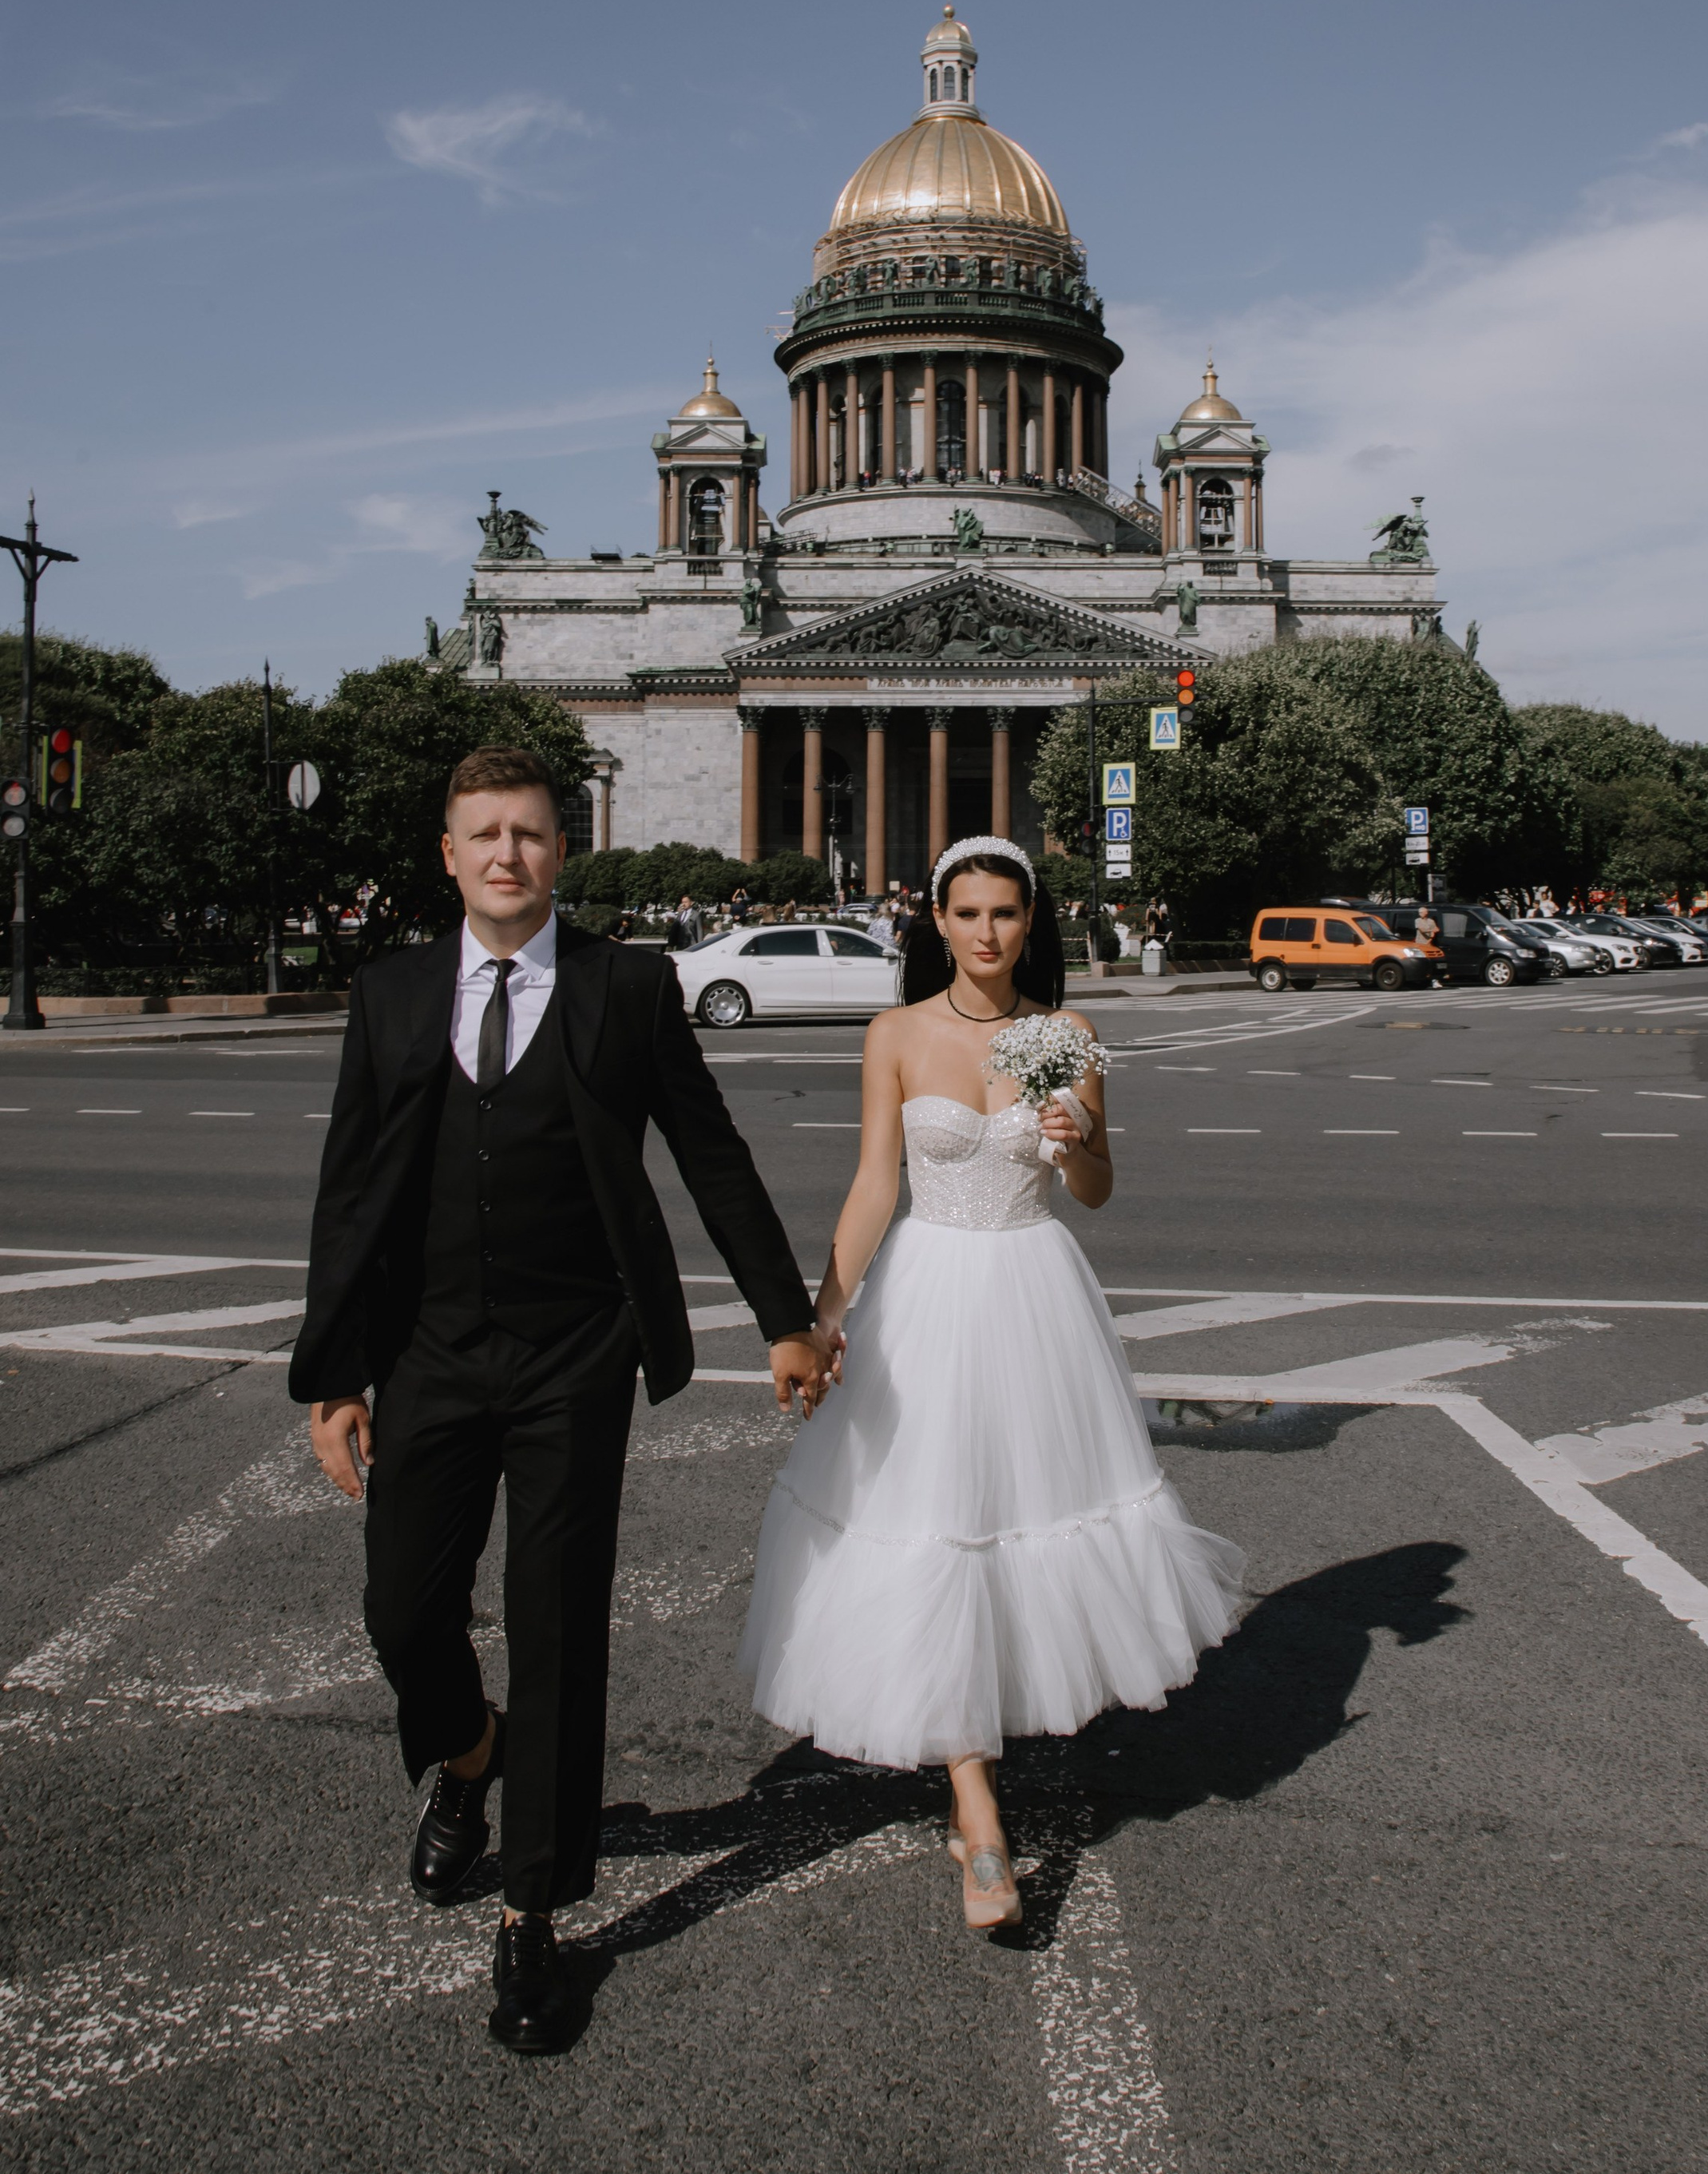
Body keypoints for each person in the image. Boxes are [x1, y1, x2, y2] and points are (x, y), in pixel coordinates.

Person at [291, 748, 831, 2056]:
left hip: (574, 1355)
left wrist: (784, 1318)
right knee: (402, 1612)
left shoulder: (625, 986)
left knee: (557, 1627)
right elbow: (350, 1190)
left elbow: (711, 1155)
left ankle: (532, 1910)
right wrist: (335, 1374)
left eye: (528, 833)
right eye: (483, 834)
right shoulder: (391, 991)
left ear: (560, 849)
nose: (506, 854)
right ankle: (469, 1753)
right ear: (449, 854)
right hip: (426, 1352)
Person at [739, 835, 1243, 1931]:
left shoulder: (1067, 1036)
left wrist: (1075, 1138)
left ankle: (992, 1736)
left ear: (1029, 922)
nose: (985, 932)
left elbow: (1097, 1189)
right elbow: (874, 1185)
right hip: (924, 1295)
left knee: (1022, 1519)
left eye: (1005, 914)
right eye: (966, 913)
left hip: (1033, 1293)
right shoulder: (895, 1034)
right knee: (932, 1520)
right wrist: (822, 1321)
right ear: (938, 921)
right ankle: (977, 1808)